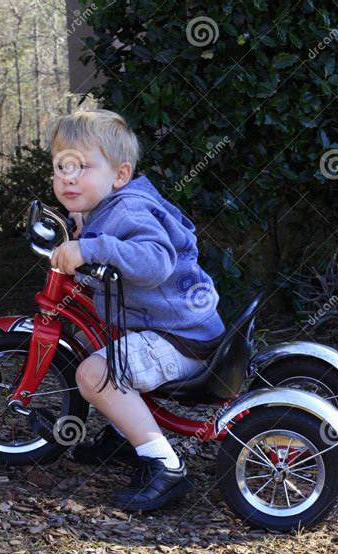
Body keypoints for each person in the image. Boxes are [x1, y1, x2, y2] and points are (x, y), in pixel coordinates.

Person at [49, 109, 225, 512]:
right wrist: (83, 228)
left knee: (94, 373)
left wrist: (91, 247)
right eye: (62, 166)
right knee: (92, 337)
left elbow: (156, 262)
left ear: (120, 175)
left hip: (181, 341)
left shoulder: (128, 211)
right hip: (171, 329)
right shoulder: (109, 206)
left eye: (83, 167)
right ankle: (125, 435)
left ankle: (166, 466)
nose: (70, 177)